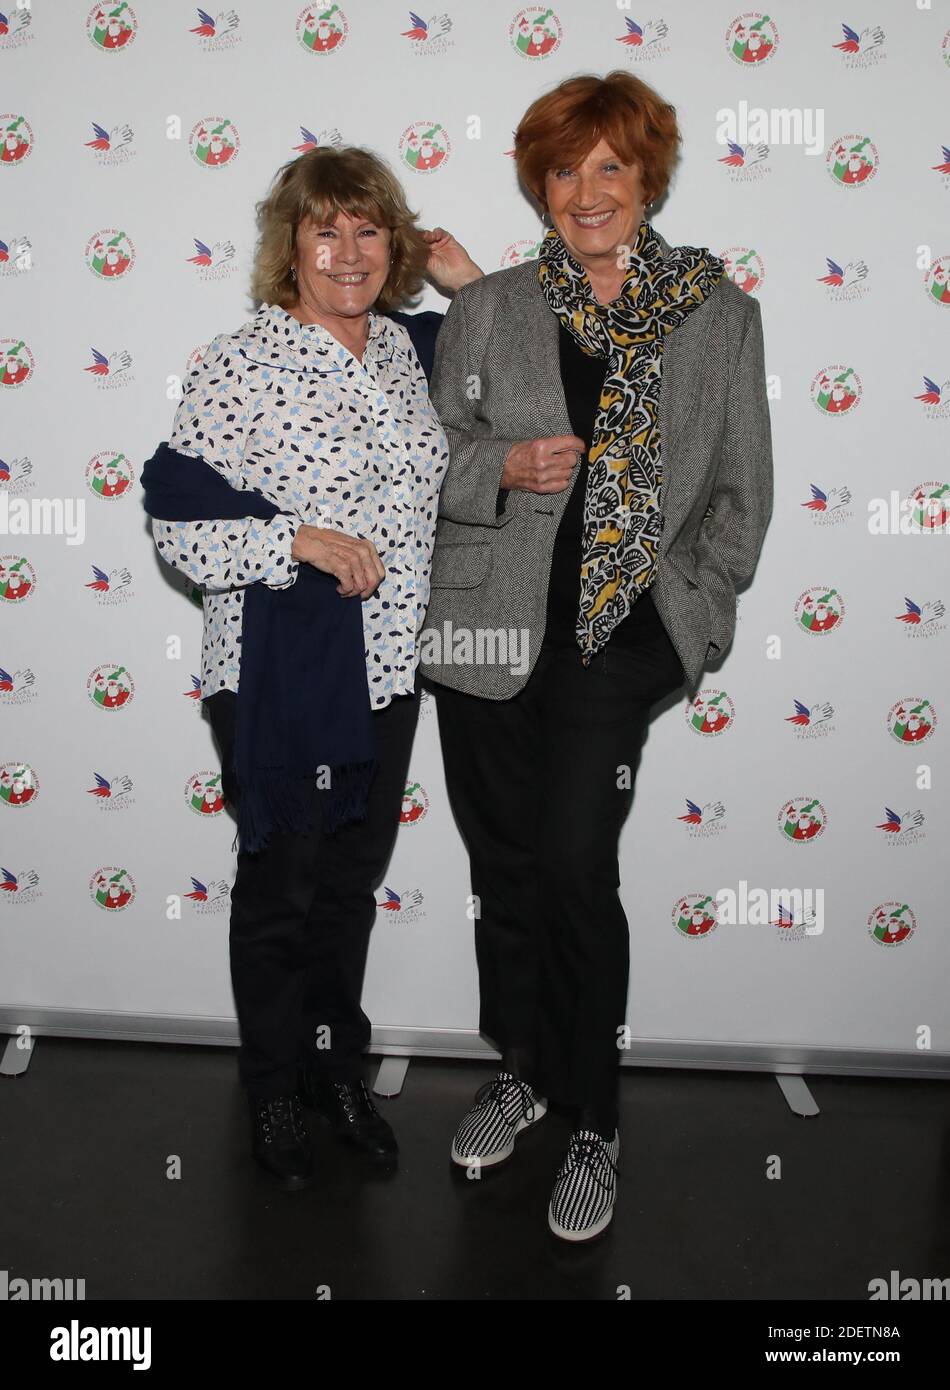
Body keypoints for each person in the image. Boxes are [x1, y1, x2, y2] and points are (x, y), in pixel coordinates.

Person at [419, 70, 774, 1240]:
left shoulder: (715, 311)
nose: (585, 191)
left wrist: (695, 615)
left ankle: (595, 1121)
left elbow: (739, 493)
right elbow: (433, 459)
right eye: (563, 169)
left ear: (645, 178)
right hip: (486, 630)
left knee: (577, 868)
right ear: (539, 183)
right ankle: (523, 1068)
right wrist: (497, 470)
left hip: (619, 638)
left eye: (608, 167)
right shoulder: (492, 306)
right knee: (505, 869)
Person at [145, 145, 481, 1190]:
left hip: (386, 675)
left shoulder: (408, 351)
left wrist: (465, 282)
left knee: (347, 889)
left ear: (398, 243)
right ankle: (275, 1091)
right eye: (324, 229)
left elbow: (532, 353)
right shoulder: (237, 362)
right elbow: (176, 521)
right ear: (288, 246)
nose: (347, 250)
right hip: (279, 672)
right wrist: (292, 538)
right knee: (282, 893)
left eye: (368, 228)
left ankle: (338, 1071)